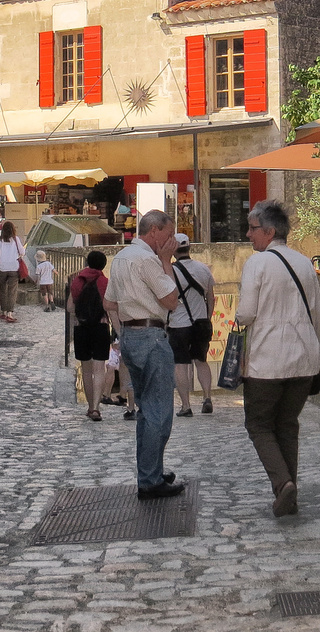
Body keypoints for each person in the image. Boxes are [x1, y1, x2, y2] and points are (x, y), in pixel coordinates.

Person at [235, 199, 320, 519]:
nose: (248, 235)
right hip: (304, 357)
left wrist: (238, 317)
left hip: (267, 358)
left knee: (259, 424)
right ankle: (288, 487)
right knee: (288, 425)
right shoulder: (304, 262)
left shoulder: (257, 264)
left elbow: (246, 313)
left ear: (269, 231)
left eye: (252, 228)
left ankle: (283, 484)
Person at [103, 209, 184, 499]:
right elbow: (172, 300)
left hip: (131, 336)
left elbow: (109, 301)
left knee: (146, 409)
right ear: (154, 232)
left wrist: (122, 331)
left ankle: (151, 470)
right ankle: (150, 480)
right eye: (169, 233)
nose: (171, 240)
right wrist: (165, 261)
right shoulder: (148, 259)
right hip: (151, 334)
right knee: (158, 410)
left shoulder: (123, 257)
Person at [167, 234, 215, 417]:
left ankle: (186, 405)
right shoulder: (204, 269)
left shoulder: (170, 271)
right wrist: (207, 317)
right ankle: (207, 397)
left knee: (180, 364)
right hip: (201, 321)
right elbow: (210, 297)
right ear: (189, 248)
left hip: (179, 323)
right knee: (201, 361)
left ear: (174, 249)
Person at [67, 251, 111, 421]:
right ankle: (97, 408)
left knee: (86, 369)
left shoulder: (77, 281)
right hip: (100, 327)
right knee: (99, 368)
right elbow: (108, 306)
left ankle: (90, 406)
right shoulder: (105, 282)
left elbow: (70, 307)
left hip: (82, 327)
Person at [0, 221, 26, 322]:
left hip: (2, 267)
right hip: (13, 267)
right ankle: (9, 313)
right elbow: (22, 252)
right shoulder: (16, 239)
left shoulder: (0, 240)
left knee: (2, 289)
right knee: (12, 291)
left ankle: (3, 311)